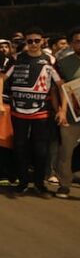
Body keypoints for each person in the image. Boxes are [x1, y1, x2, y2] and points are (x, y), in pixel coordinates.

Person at [0, 27, 61, 198]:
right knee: (20, 147)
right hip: (18, 111)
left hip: (42, 113)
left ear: (42, 41)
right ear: (25, 41)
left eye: (36, 41)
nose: (33, 44)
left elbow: (59, 86)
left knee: (41, 150)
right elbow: (1, 78)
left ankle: (39, 184)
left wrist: (61, 109)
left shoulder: (50, 60)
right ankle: (23, 182)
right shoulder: (16, 59)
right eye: (29, 41)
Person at [55, 26, 80, 199]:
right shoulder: (63, 63)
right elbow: (60, 89)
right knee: (66, 151)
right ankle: (64, 184)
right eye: (78, 41)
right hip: (71, 114)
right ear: (71, 44)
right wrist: (61, 110)